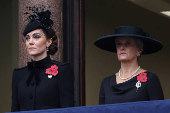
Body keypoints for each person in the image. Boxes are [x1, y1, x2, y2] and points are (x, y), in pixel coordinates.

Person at [11, 10, 74, 111]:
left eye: (36, 37)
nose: (30, 42)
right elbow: (14, 110)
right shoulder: (18, 74)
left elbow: (68, 110)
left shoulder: (63, 70)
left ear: (49, 41)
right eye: (27, 38)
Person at [94, 26, 164, 105]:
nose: (122, 47)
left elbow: (159, 109)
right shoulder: (106, 83)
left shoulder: (150, 79)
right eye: (118, 44)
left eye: (128, 43)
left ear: (139, 49)